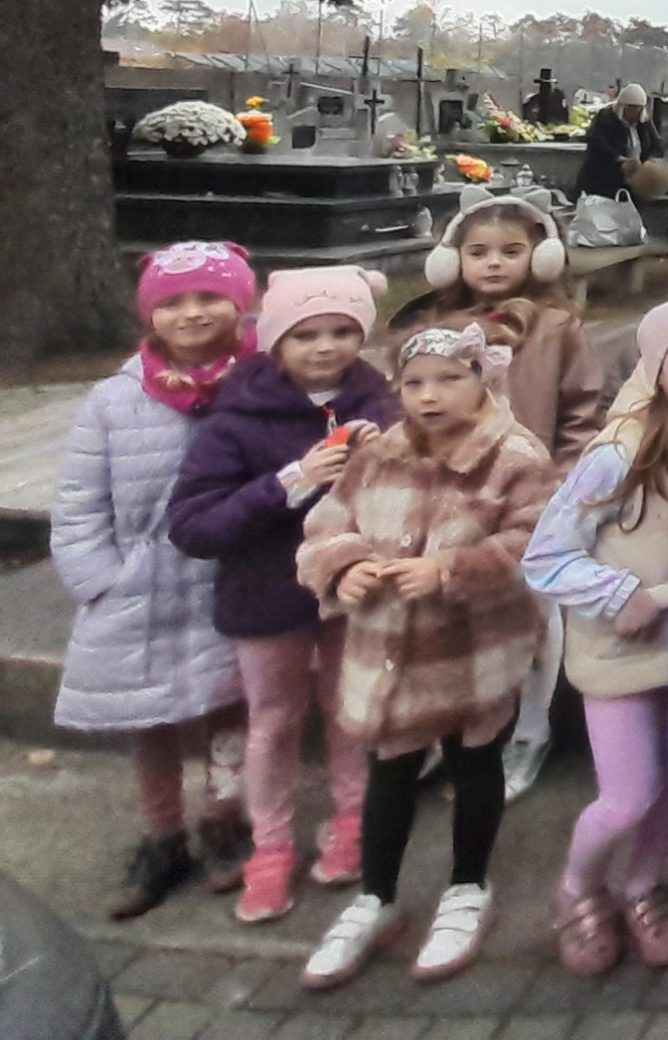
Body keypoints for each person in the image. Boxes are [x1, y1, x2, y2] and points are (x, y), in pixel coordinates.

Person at [292, 316, 556, 990]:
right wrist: (342, 566)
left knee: (474, 763)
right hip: (387, 649)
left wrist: (453, 570)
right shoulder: (379, 454)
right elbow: (327, 522)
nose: (429, 396)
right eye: (413, 383)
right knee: (390, 767)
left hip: (474, 649)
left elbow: (537, 539)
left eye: (448, 379)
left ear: (482, 380)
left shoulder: (516, 455)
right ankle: (374, 896)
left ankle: (468, 885)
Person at [524, 295, 668, 977]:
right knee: (626, 795)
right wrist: (620, 593)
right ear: (655, 362)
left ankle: (642, 886)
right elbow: (546, 555)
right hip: (624, 650)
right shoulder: (621, 451)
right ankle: (578, 886)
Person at [168, 267, 399, 925]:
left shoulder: (381, 404)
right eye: (305, 335)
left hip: (355, 588)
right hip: (265, 593)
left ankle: (353, 817)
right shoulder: (235, 418)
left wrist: (386, 465)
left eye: (341, 331)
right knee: (274, 718)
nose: (324, 347)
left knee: (351, 707)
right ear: (274, 341)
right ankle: (269, 844)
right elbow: (193, 525)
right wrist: (291, 480)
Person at [51, 242, 256, 918]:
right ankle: (163, 837)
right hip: (140, 587)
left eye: (208, 297)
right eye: (172, 302)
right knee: (150, 717)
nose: (192, 313)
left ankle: (226, 821)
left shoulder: (260, 387)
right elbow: (80, 503)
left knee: (230, 705)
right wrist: (101, 580)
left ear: (239, 303)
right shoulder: (112, 400)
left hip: (229, 580)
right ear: (150, 315)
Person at [397, 190, 605, 800]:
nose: (493, 264)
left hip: (533, 495)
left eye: (511, 251)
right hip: (452, 494)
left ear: (541, 258)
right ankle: (453, 729)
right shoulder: (432, 329)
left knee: (535, 614)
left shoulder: (559, 328)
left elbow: (581, 413)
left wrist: (562, 482)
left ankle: (530, 732)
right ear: (450, 259)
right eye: (478, 252)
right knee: (452, 617)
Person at [577, 83, 665, 201]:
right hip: (604, 180)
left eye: (638, 109)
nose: (634, 113)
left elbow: (657, 145)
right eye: (631, 108)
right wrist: (617, 157)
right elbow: (596, 142)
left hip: (633, 182)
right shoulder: (605, 118)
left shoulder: (644, 124)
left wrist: (648, 162)